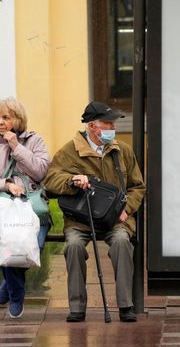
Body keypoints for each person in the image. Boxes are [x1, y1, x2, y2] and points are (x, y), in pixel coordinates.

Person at [43, 101, 146, 323]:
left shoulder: (122, 151)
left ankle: (126, 305)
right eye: (107, 123)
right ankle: (77, 307)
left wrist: (126, 209)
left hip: (116, 220)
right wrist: (71, 180)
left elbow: (137, 186)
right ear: (91, 126)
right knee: (74, 246)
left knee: (121, 242)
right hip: (80, 220)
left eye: (113, 123)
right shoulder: (70, 151)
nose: (112, 128)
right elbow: (51, 180)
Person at [0, 97, 50, 318]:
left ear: (18, 119)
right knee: (0, 244)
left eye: (6, 117)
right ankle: (16, 295)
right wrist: (5, 185)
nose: (0, 122)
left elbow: (41, 172)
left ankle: (7, 284)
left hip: (32, 209)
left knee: (32, 246)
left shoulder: (35, 141)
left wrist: (16, 146)